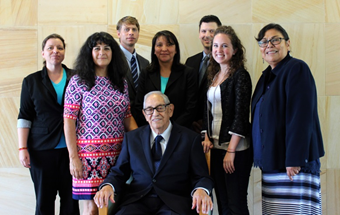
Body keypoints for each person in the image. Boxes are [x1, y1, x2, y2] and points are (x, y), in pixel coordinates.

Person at [94, 91, 214, 215]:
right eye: (150, 110)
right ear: (144, 114)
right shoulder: (132, 138)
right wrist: (108, 186)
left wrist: (201, 189)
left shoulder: (190, 139)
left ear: (170, 110)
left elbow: (202, 176)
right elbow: (118, 172)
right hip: (138, 202)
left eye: (160, 108)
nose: (155, 113)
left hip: (174, 204)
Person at [252, 23, 324, 214]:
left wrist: (294, 158)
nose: (269, 45)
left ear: (288, 44)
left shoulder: (296, 69)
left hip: (292, 165)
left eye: (275, 39)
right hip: (273, 163)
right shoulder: (266, 76)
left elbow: (301, 117)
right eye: (264, 42)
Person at [63, 32, 138, 214]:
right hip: (88, 159)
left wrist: (143, 144)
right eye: (97, 48)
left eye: (106, 48)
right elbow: (69, 122)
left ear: (113, 53)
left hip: (118, 157)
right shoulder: (77, 81)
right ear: (89, 53)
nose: (102, 52)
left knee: (113, 208)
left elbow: (127, 117)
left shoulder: (121, 82)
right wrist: (73, 158)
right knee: (92, 211)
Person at [17, 34, 79, 215]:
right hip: (41, 150)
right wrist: (22, 148)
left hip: (72, 151)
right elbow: (25, 116)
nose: (55, 51)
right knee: (44, 201)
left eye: (60, 48)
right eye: (50, 48)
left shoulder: (77, 78)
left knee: (71, 202)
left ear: (64, 52)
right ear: (43, 53)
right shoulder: (31, 81)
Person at [202, 26, 253, 215]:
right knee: (222, 203)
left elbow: (241, 115)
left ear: (235, 50)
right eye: (216, 45)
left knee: (236, 204)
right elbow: (206, 110)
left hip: (235, 150)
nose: (219, 50)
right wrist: (205, 135)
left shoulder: (240, 75)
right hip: (215, 148)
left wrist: (231, 151)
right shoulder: (213, 76)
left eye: (224, 46)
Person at [135, 30, 197, 128]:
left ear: (176, 49)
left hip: (180, 130)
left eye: (169, 45)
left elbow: (191, 108)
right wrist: (153, 126)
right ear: (154, 50)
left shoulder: (188, 73)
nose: (164, 49)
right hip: (151, 130)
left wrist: (171, 128)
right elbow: (139, 105)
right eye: (159, 45)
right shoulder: (146, 73)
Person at [185, 15, 222, 134]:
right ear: (199, 34)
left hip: (215, 127)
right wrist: (190, 120)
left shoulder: (225, 64)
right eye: (203, 31)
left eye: (212, 31)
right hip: (190, 126)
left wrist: (205, 122)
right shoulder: (190, 61)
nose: (207, 35)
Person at [117, 16, 150, 118]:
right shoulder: (112, 61)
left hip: (141, 118)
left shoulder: (145, 63)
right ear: (118, 34)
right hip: (120, 118)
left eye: (134, 29)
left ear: (138, 34)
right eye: (126, 29)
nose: (131, 33)